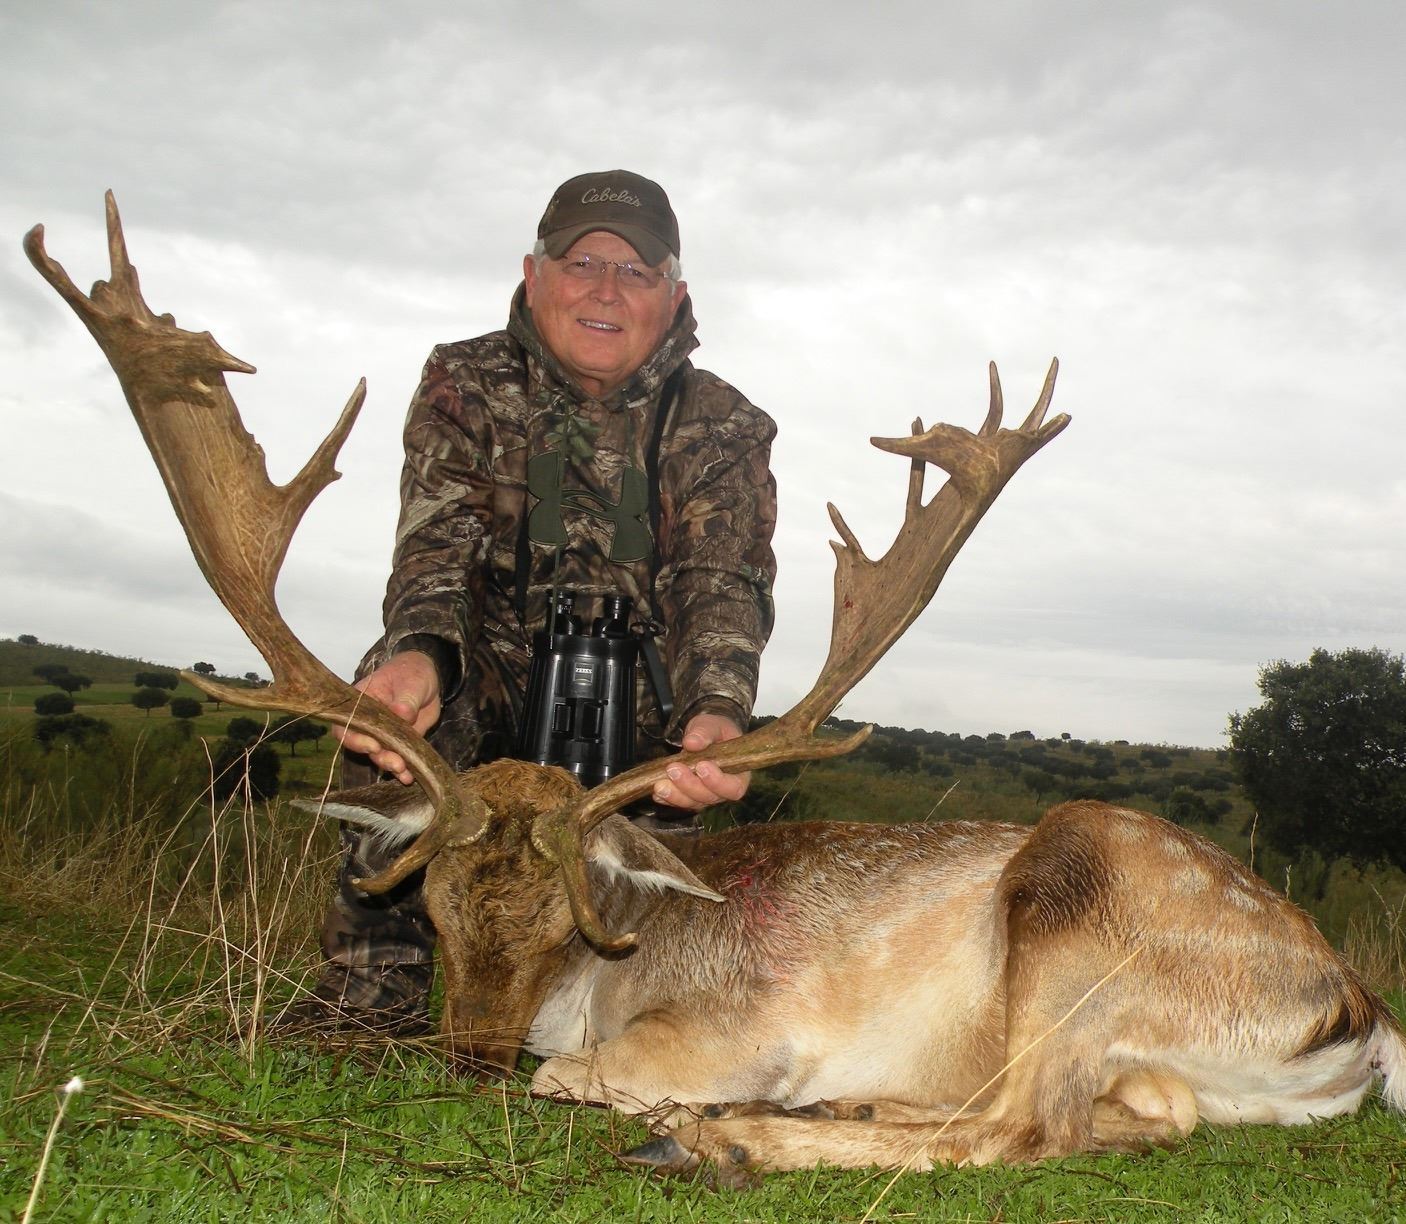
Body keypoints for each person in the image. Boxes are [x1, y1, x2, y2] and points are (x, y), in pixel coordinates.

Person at [295, 170, 778, 1030]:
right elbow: (438, 552)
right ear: (534, 273)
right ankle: (371, 1000)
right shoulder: (465, 381)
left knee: (657, 917)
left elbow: (721, 583)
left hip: (639, 724)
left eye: (636, 271)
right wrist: (420, 654)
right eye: (582, 262)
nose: (606, 289)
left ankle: (616, 1014)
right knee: (387, 714)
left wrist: (717, 711)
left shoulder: (725, 424)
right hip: (486, 694)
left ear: (674, 296)